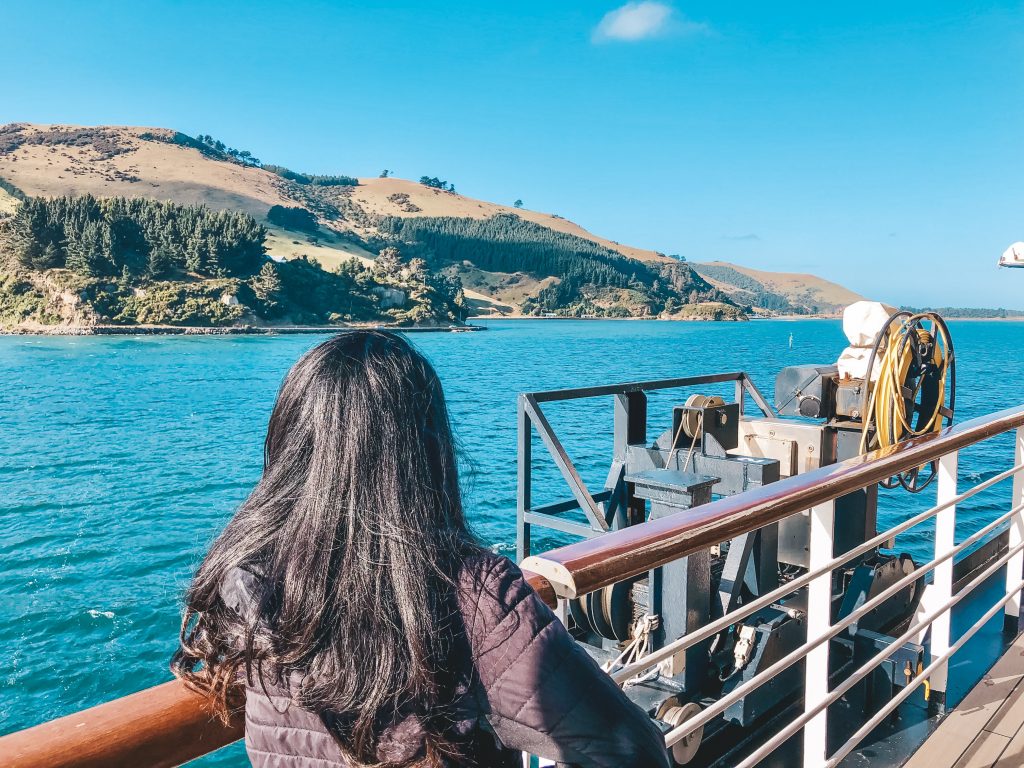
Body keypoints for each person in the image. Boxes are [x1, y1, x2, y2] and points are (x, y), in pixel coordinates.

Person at [171, 330, 671, 768]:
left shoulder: (244, 584)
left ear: (289, 446)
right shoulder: (474, 598)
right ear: (427, 452)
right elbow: (632, 751)